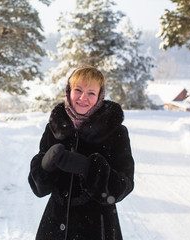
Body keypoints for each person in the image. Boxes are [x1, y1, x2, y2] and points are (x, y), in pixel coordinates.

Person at [28, 66, 134, 240]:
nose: (83, 98)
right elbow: (39, 189)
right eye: (78, 90)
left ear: (100, 95)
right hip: (54, 225)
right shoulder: (54, 128)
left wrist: (89, 169)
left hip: (96, 227)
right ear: (69, 91)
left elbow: (125, 184)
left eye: (91, 93)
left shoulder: (115, 132)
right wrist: (45, 165)